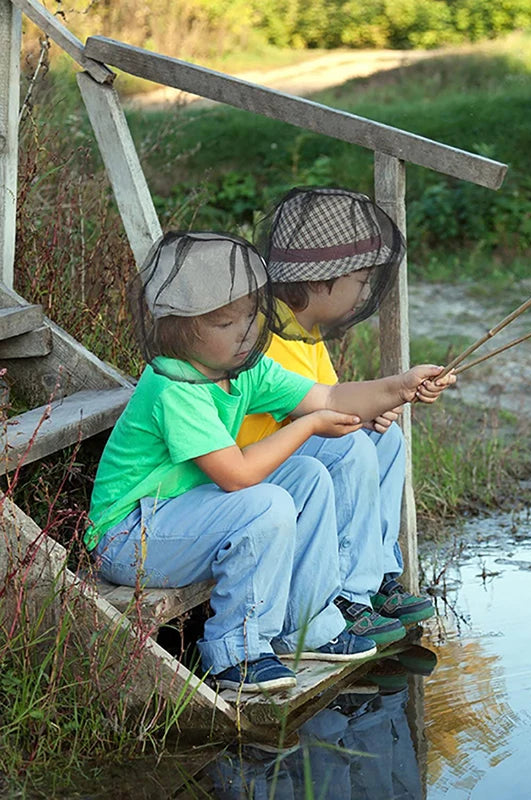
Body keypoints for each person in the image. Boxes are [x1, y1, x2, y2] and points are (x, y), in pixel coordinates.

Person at [86, 231, 454, 694]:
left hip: (188, 515)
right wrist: (306, 425)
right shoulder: (174, 387)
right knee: (267, 504)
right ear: (182, 332)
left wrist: (400, 385)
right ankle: (236, 654)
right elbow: (237, 476)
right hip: (129, 539)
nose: (244, 333)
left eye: (247, 319)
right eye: (225, 325)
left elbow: (331, 395)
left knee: (306, 474)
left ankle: (305, 628)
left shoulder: (243, 369)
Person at [236, 187, 435, 648]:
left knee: (385, 440)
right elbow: (311, 419)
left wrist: (379, 407)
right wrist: (357, 421)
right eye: (362, 281)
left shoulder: (308, 333)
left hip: (300, 453)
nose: (366, 293)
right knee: (350, 445)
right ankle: (345, 594)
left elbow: (333, 401)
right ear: (322, 278)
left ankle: (376, 574)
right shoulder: (263, 334)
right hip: (259, 466)